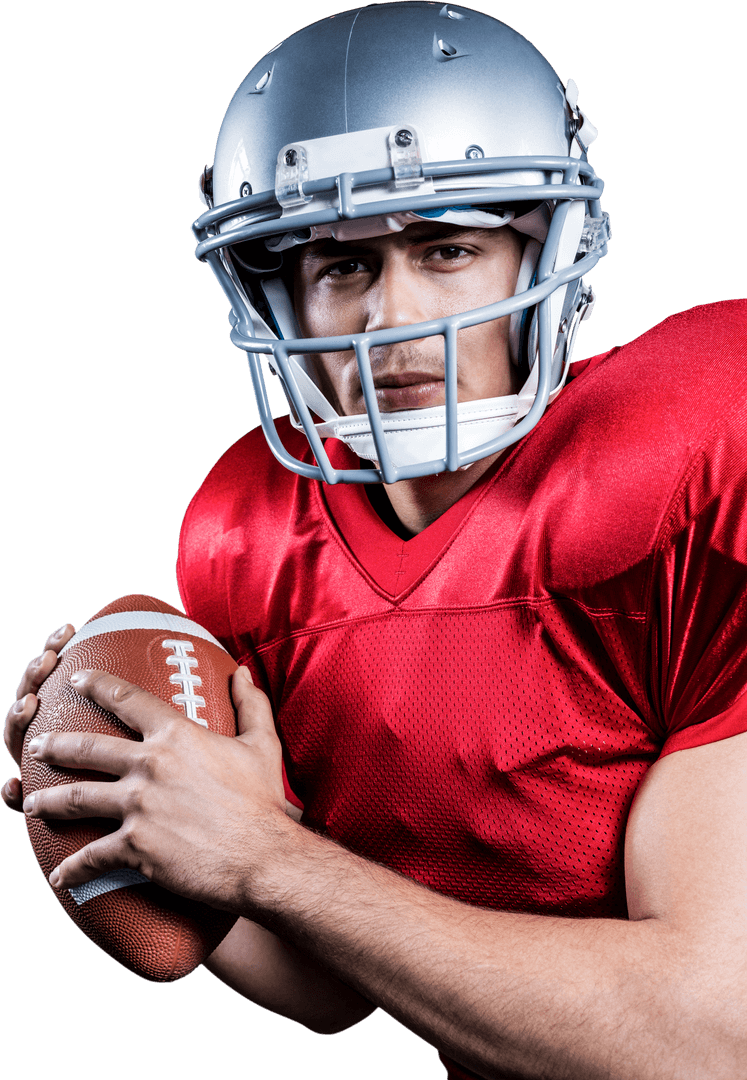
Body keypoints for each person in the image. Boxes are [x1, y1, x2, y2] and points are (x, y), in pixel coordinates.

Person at [4, 4, 747, 1078]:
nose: (387, 317)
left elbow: (709, 1037)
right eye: (339, 269)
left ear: (549, 253)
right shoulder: (249, 540)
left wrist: (264, 855)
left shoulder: (691, 457)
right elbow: (334, 984)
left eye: (446, 248)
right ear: (281, 300)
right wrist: (140, 816)